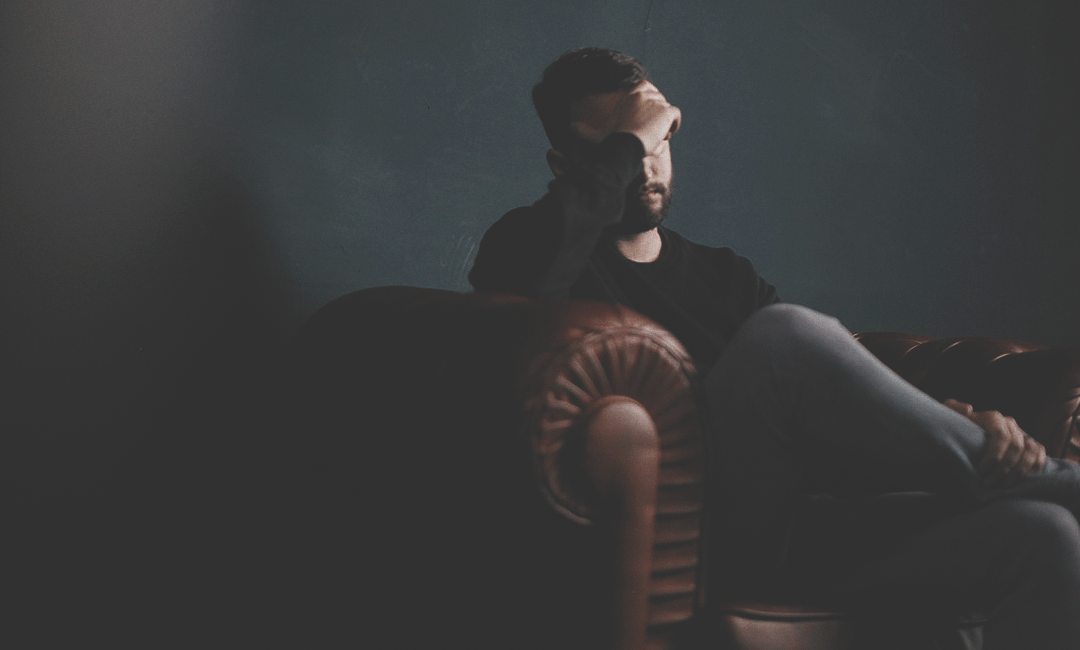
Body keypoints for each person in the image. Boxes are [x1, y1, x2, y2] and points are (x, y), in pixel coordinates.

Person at [469, 47, 1080, 648]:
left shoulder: (726, 276)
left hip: (804, 531)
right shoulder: (527, 246)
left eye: (658, 137)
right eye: (624, 144)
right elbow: (523, 294)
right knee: (782, 336)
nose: (647, 162)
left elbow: (832, 413)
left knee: (1042, 533)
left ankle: (1022, 481)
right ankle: (1051, 480)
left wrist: (951, 426)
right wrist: (630, 139)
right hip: (693, 544)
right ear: (565, 165)